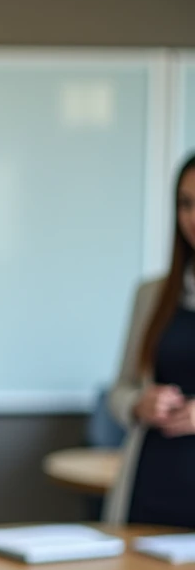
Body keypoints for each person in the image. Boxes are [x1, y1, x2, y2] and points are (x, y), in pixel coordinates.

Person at [103, 153, 195, 530]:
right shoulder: (152, 295)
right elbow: (120, 389)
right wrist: (138, 404)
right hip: (150, 486)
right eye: (186, 203)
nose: (193, 216)